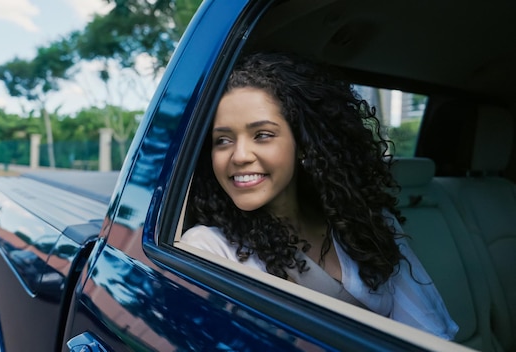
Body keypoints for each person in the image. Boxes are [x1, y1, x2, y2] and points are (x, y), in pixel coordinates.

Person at [180, 52, 458, 340]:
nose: (239, 156)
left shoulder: (366, 225)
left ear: (302, 144)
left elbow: (429, 335)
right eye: (222, 140)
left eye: (262, 134)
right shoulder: (209, 249)